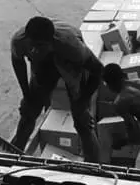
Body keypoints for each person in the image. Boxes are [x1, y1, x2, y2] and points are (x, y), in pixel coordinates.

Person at [10, 17, 103, 162]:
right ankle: (11, 158)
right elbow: (17, 61)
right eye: (33, 46)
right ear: (27, 39)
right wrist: (26, 94)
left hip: (70, 64)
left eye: (41, 46)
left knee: (82, 121)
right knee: (28, 113)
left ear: (51, 41)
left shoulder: (71, 46)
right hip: (42, 66)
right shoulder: (19, 41)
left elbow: (98, 70)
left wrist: (82, 101)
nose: (35, 49)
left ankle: (94, 168)